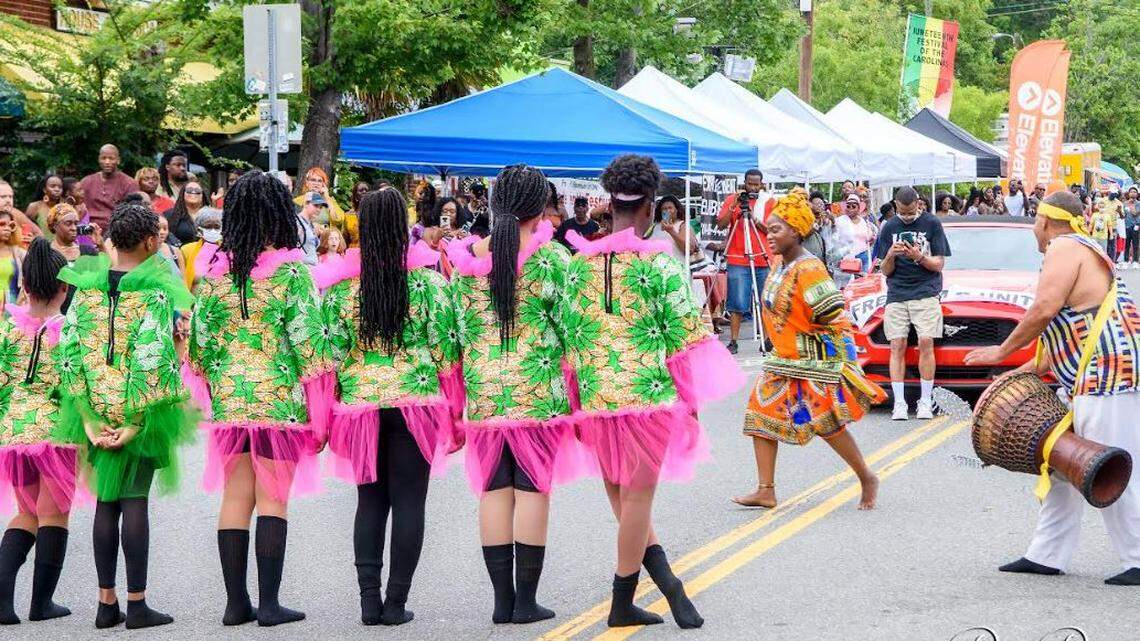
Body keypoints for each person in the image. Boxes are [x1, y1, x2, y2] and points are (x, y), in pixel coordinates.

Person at [561, 154, 743, 629]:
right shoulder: (660, 264)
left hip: (596, 399)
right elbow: (684, 341)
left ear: (610, 204)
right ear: (649, 208)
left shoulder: (576, 265)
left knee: (625, 502)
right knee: (637, 502)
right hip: (648, 398)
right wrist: (691, 403)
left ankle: (670, 587)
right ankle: (622, 603)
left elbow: (568, 340)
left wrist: (576, 401)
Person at [964, 191, 1140, 587]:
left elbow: (1043, 309)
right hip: (1094, 375)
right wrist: (1013, 376)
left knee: (1110, 463)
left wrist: (1001, 352)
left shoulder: (1065, 245)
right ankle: (1046, 555)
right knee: (1062, 463)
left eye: (1035, 222)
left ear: (1044, 221)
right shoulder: (1079, 249)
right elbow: (1054, 349)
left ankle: (1139, 557)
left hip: (1106, 376)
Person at [185, 170, 336, 627]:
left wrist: (222, 382)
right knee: (273, 500)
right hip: (279, 400)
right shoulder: (292, 274)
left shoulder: (213, 277)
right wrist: (322, 413)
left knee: (235, 497)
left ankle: (236, 604)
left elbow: (198, 349)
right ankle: (269, 605)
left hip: (230, 401)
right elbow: (311, 347)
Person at [313, 187, 457, 626]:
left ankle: (367, 602)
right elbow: (446, 352)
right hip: (416, 402)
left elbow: (330, 356)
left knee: (370, 502)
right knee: (410, 501)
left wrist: (328, 411)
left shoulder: (341, 290)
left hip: (359, 407)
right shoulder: (428, 283)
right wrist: (455, 411)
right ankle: (395, 604)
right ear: (402, 226)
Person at [445, 165, 579, 625]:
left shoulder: (465, 264)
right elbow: (571, 328)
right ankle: (526, 602)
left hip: (483, 393)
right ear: (539, 209)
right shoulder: (550, 260)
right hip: (537, 394)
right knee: (533, 489)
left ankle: (502, 602)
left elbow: (456, 333)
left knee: (494, 490)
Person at [54, 201, 195, 629]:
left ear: (113, 239)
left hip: (94, 407)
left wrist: (87, 416)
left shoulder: (86, 289)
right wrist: (134, 423)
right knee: (134, 500)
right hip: (138, 408)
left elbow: (69, 351)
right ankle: (137, 605)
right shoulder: (154, 292)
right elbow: (154, 356)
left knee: (106, 502)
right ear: (152, 242)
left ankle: (105, 604)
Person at [737, 190, 884, 511]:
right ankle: (765, 490)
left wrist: (846, 361)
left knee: (827, 424)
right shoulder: (779, 264)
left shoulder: (809, 269)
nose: (769, 235)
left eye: (776, 230)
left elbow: (834, 314)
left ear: (796, 231)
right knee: (759, 416)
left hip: (813, 362)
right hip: (782, 361)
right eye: (768, 229)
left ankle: (866, 476)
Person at [0, 239, 75, 624]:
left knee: (26, 512)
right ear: (64, 287)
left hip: (13, 431)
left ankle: (2, 600)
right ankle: (41, 603)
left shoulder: (8, 330)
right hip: (55, 433)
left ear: (25, 286)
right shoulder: (69, 332)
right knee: (54, 514)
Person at [872, 186, 951, 421]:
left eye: (911, 212)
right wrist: (890, 255)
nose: (907, 217)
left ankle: (925, 401)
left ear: (918, 203)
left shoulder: (932, 223)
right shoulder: (889, 227)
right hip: (897, 293)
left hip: (926, 291)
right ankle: (899, 403)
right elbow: (885, 271)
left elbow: (939, 264)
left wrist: (919, 257)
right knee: (897, 344)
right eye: (902, 213)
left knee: (926, 341)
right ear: (895, 206)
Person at [716, 169, 773, 354]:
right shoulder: (734, 199)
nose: (753, 188)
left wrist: (756, 220)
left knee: (765, 302)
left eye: (756, 184)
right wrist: (734, 205)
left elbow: (773, 230)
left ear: (762, 184)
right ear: (744, 183)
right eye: (750, 184)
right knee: (737, 303)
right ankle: (733, 341)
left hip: (762, 257)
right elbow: (721, 225)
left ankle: (767, 341)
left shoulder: (769, 201)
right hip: (738, 259)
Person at [78, 145, 139, 233]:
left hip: (117, 231)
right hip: (88, 229)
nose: (107, 162)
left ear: (118, 160)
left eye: (111, 158)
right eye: (104, 158)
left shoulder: (129, 183)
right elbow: (77, 208)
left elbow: (133, 214)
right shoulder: (86, 182)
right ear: (99, 160)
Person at [179, 208, 222, 292]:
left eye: (217, 227)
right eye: (208, 227)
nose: (213, 230)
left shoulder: (228, 252)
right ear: (199, 230)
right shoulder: (186, 251)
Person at [834, 193, 875, 274]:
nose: (850, 209)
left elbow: (867, 237)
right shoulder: (840, 221)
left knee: (864, 279)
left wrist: (871, 238)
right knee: (851, 280)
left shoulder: (863, 221)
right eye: (848, 206)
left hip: (863, 255)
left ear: (858, 208)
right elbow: (835, 238)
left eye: (853, 206)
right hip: (848, 257)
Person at [164, 178, 205, 247]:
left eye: (197, 191)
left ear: (202, 195)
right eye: (189, 190)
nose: (193, 192)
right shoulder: (170, 214)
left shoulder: (210, 214)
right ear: (183, 194)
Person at [0, 211, 26, 304]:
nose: (7, 228)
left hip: (12, 306)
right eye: (2, 224)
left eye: (11, 225)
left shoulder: (19, 253)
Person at [297, 191, 324, 266]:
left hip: (313, 267)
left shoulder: (311, 225)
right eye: (316, 205)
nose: (318, 210)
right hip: (302, 267)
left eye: (320, 207)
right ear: (306, 204)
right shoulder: (297, 223)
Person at [343, 180, 370, 247]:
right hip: (353, 250)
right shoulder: (348, 216)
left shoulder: (375, 214)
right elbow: (345, 238)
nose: (364, 192)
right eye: (361, 190)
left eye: (366, 190)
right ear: (355, 196)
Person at [1124, 187, 1140, 269]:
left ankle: (1135, 261)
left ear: (1137, 194)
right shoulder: (1125, 203)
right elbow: (1123, 215)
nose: (1133, 193)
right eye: (1131, 192)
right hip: (1127, 226)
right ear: (1129, 193)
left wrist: (1131, 204)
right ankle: (1126, 261)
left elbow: (1135, 213)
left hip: (1136, 226)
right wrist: (1120, 211)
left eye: (1134, 192)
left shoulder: (1139, 203)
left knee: (1135, 244)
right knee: (1126, 244)